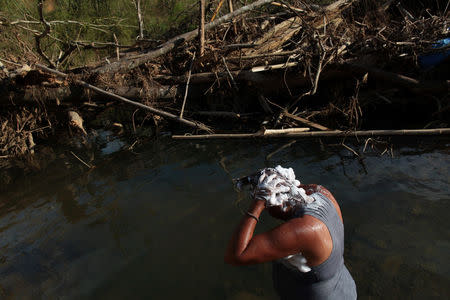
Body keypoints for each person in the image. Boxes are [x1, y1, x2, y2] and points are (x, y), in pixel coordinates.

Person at [225, 166, 357, 300]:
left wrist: (258, 204)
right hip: (343, 285)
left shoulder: (305, 229)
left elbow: (236, 256)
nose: (268, 209)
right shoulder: (320, 193)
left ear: (279, 199)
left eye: (268, 204)